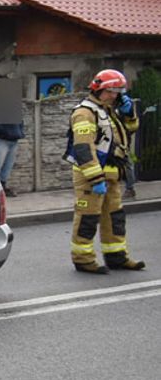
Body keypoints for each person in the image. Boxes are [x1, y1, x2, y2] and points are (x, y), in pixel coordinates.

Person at [66, 70, 144, 274]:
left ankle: (117, 257)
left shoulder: (109, 110)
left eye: (118, 91)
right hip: (91, 178)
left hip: (112, 174)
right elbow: (83, 149)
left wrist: (129, 114)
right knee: (87, 219)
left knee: (114, 218)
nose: (115, 95)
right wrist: (95, 178)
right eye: (111, 91)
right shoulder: (84, 112)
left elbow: (131, 129)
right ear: (99, 89)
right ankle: (83, 260)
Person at [0, 120, 25, 197]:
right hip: (0, 139)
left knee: (8, 166)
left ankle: (3, 188)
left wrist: (20, 132)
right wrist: (5, 132)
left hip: (13, 138)